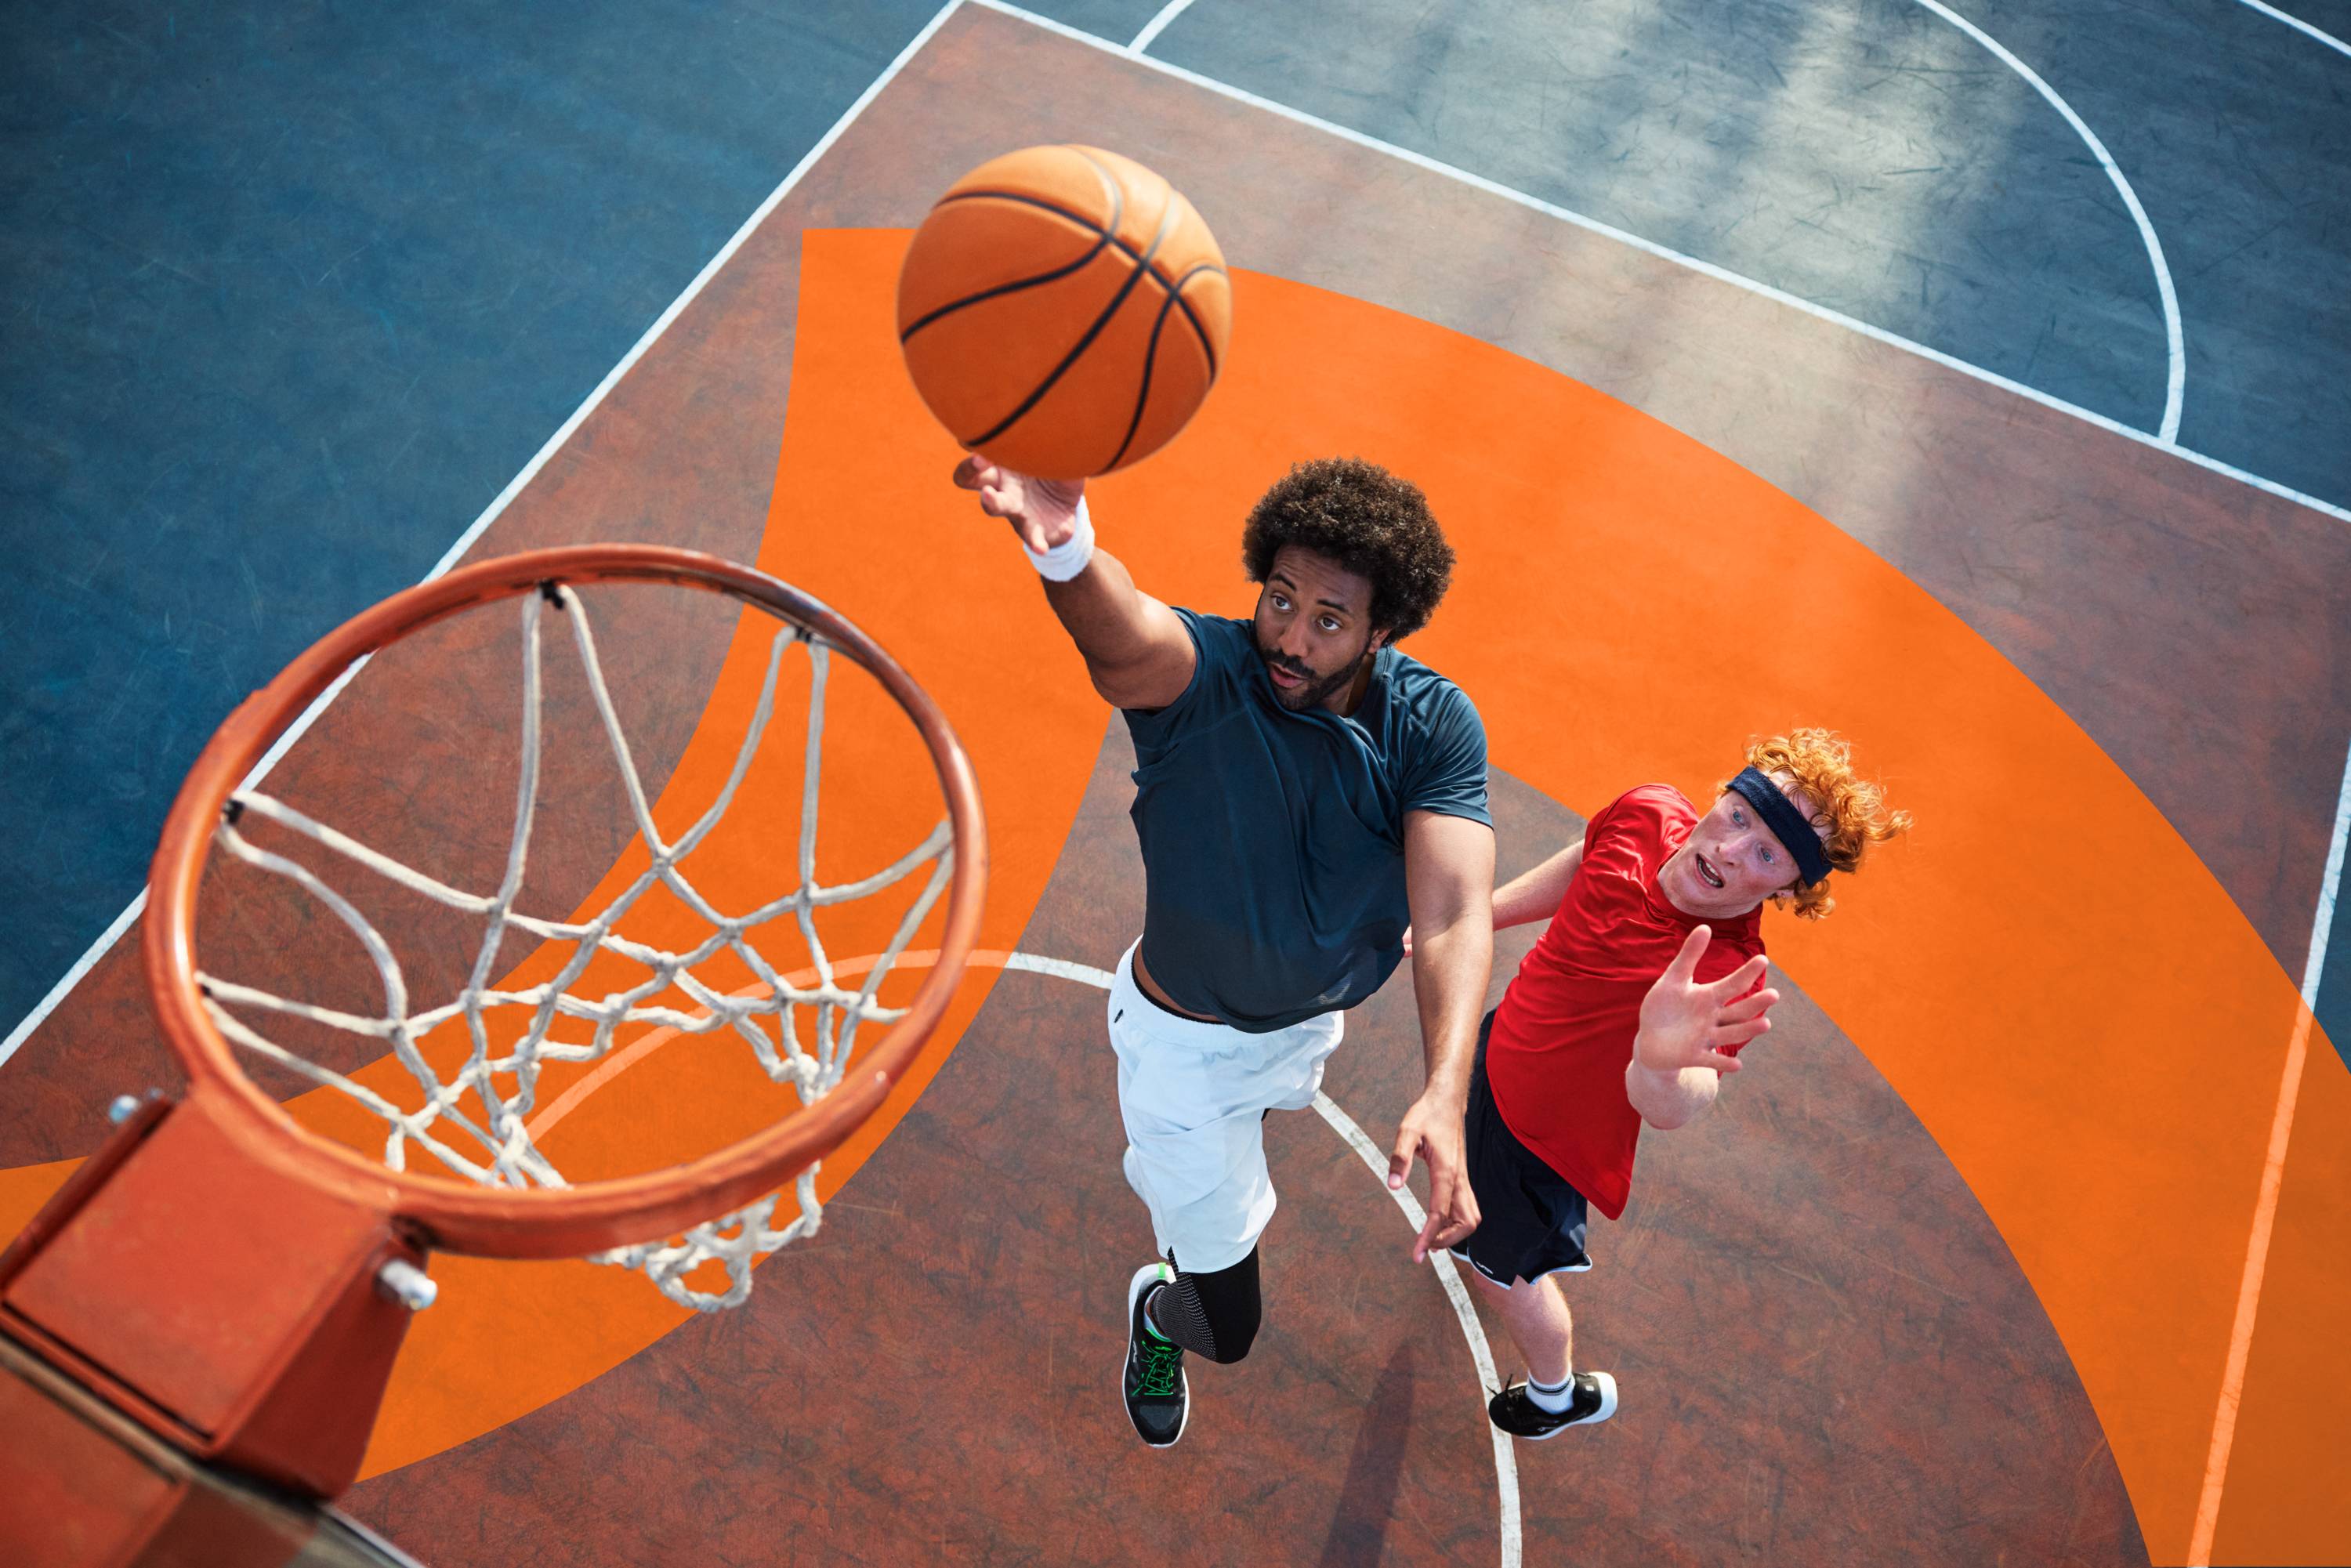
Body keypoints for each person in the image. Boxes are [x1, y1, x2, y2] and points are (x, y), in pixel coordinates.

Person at [955, 454, 1495, 1448]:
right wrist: (1069, 552)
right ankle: (1160, 1314)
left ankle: (1197, 1197)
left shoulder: (1429, 724)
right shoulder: (1205, 679)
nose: (1290, 636)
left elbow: (1457, 910)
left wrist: (1444, 1089)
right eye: (1279, 598)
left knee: (1276, 1103)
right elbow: (1126, 636)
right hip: (1185, 1059)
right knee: (1230, 1325)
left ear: (1384, 631)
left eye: (1329, 619)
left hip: (1303, 1029)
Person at [1441, 730, 1909, 1438]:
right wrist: (1483, 914)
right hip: (1503, 1046)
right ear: (1724, 793)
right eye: (1741, 816)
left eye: (1765, 854)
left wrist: (1659, 1061)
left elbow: (1679, 1102)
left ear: (1786, 888)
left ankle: (1556, 1393)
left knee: (1503, 1279)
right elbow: (1587, 863)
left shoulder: (1726, 973)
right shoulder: (1647, 812)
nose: (1729, 847)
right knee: (1462, 1191)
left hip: (1540, 1150)